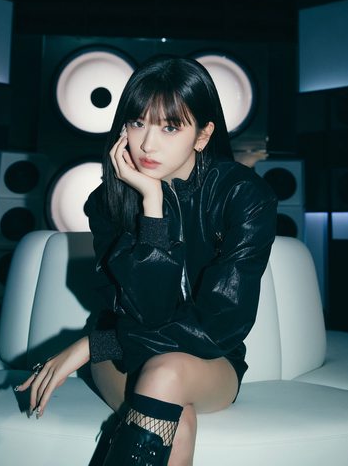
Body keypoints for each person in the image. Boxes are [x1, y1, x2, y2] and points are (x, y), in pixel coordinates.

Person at [16, 55, 277, 465]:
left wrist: (95, 343)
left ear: (203, 135)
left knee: (167, 372)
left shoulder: (244, 197)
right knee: (178, 423)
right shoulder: (107, 203)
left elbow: (222, 321)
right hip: (122, 358)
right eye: (138, 123)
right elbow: (147, 309)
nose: (147, 144)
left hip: (208, 360)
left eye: (170, 127)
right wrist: (152, 208)